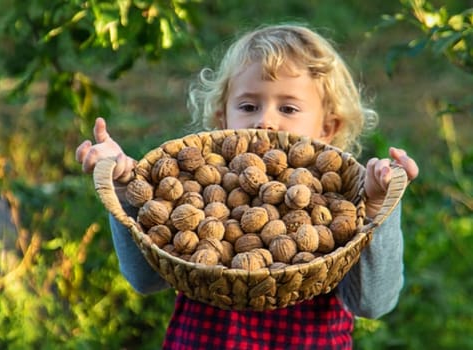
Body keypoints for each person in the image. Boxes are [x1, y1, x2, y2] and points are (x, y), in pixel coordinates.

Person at [74, 24, 421, 349]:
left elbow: (374, 303)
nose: (265, 120)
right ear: (223, 119)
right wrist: (124, 188)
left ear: (327, 128)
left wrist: (377, 207)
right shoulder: (191, 183)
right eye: (248, 106)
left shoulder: (340, 200)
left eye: (288, 107)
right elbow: (146, 279)